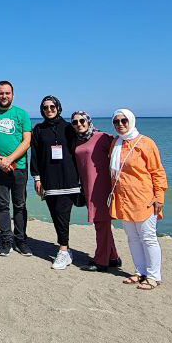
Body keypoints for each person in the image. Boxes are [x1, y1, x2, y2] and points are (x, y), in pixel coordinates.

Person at [109, 109, 168, 290]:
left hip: (144, 198)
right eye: (116, 121)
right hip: (124, 199)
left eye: (124, 120)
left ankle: (153, 276)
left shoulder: (146, 143)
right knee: (132, 238)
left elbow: (157, 171)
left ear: (132, 121)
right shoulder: (115, 144)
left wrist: (159, 196)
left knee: (148, 237)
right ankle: (140, 272)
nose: (120, 124)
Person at [0, 81, 33, 257]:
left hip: (19, 167)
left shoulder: (22, 114)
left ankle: (21, 240)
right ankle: (6, 240)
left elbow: (27, 141)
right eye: (1, 93)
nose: (4, 96)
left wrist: (10, 159)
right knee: (2, 205)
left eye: (7, 93)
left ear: (13, 95)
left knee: (20, 204)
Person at [30, 96, 82, 270]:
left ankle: (63, 250)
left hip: (70, 178)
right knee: (56, 215)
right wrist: (37, 178)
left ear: (59, 107)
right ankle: (65, 249)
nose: (49, 110)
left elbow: (81, 149)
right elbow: (35, 156)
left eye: (52, 106)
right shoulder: (38, 129)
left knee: (63, 214)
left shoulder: (69, 128)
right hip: (49, 180)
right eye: (45, 107)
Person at [71, 111, 121, 272]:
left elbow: (119, 152)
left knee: (101, 223)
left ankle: (101, 262)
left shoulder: (102, 137)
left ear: (88, 121)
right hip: (87, 188)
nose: (79, 124)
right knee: (103, 223)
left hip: (102, 186)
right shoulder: (77, 141)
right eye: (75, 122)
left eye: (82, 120)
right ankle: (113, 257)